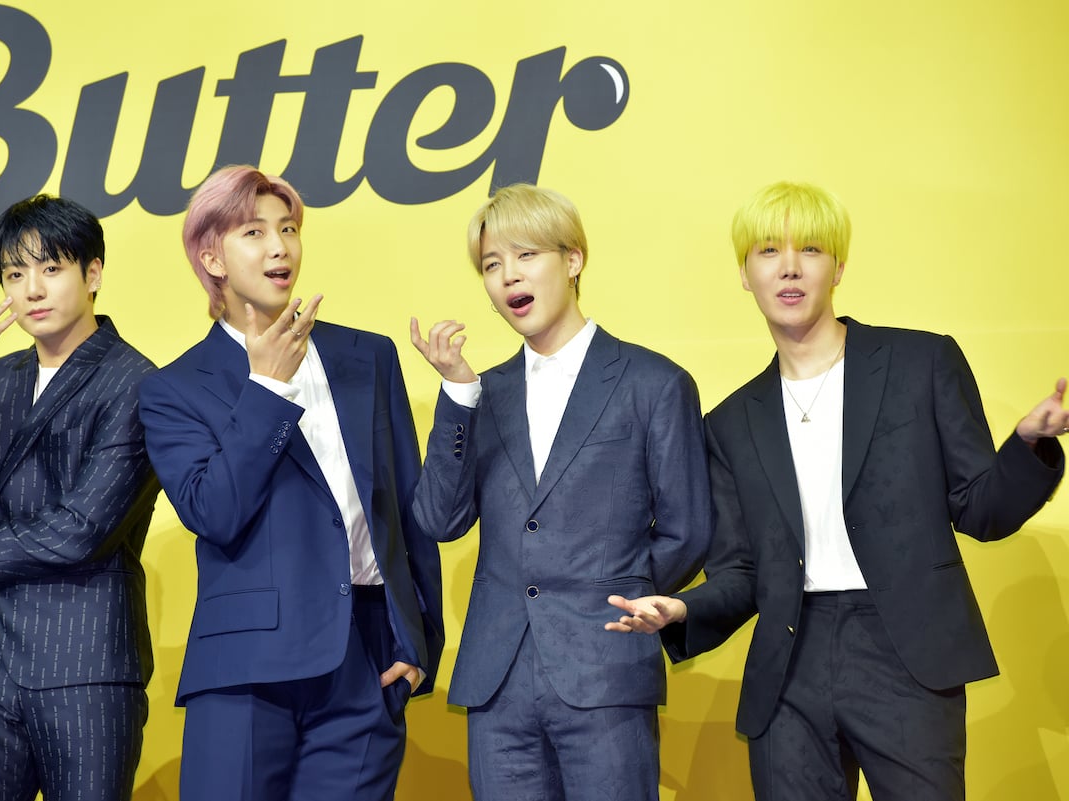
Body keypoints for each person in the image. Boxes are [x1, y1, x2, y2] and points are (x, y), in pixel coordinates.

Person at [607, 181, 1068, 800]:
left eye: (811, 249)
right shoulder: (730, 423)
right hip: (788, 663)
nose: (789, 267)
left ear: (839, 268)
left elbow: (983, 510)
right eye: (768, 251)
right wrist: (683, 608)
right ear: (745, 274)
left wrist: (1029, 446)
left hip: (905, 651)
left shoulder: (921, 362)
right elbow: (742, 572)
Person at [138, 164, 443, 801]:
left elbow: (406, 506)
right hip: (246, 667)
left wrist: (419, 640)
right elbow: (213, 512)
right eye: (254, 232)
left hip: (367, 658)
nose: (280, 247)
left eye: (289, 229)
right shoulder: (174, 387)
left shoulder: (369, 356)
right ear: (212, 258)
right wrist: (268, 389)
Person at [410, 183, 711, 801]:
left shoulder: (654, 382)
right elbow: (440, 519)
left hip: (606, 668)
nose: (508, 276)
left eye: (526, 255)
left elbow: (688, 530)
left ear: (573, 260)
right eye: (491, 265)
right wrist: (458, 394)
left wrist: (612, 596)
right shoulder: (483, 393)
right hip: (497, 681)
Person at [0, 194, 159, 801]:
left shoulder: (136, 382)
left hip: (85, 663)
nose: (32, 290)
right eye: (15, 275)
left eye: (51, 268)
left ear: (93, 274)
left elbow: (80, 530)